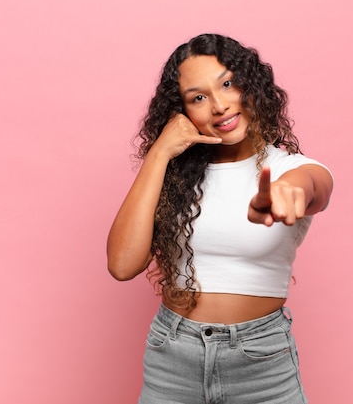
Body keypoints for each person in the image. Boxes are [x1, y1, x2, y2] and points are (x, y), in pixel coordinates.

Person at [107, 33, 333, 404]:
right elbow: (121, 264)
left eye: (227, 84)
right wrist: (160, 154)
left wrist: (288, 192)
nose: (219, 106)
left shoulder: (291, 168)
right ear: (181, 112)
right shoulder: (174, 180)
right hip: (171, 358)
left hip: (261, 364)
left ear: (251, 84)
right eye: (198, 97)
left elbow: (312, 185)